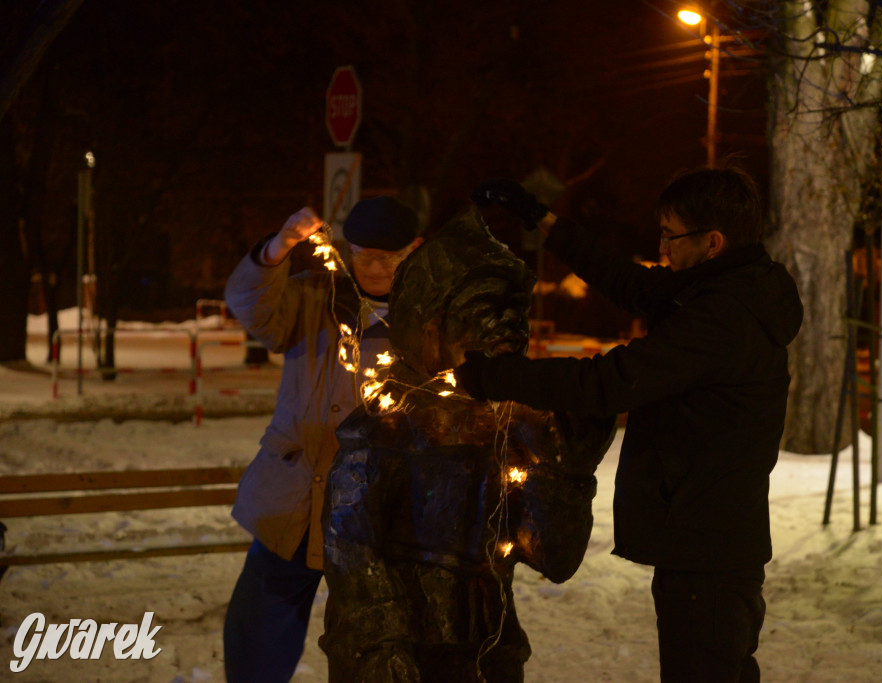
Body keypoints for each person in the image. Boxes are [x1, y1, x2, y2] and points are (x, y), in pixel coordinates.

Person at [455, 167, 804, 682]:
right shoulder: (725, 287)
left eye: (670, 235)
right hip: (705, 538)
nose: (661, 247)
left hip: (707, 548)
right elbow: (626, 279)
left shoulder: (722, 319)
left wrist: (491, 374)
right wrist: (539, 217)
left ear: (712, 242)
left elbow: (610, 382)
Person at [319, 207, 617, 682]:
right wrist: (382, 651)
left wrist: (567, 473)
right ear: (432, 328)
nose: (505, 331)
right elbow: (351, 552)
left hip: (489, 649)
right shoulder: (384, 430)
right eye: (485, 314)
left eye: (511, 316)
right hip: (400, 652)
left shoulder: (516, 425)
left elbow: (554, 560)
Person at [222, 196, 422, 683]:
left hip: (388, 506)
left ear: (415, 249)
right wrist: (279, 248)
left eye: (388, 256)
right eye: (362, 253)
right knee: (260, 629)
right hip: (297, 494)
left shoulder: (430, 314)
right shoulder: (314, 295)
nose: (373, 266)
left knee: (379, 639)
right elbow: (248, 302)